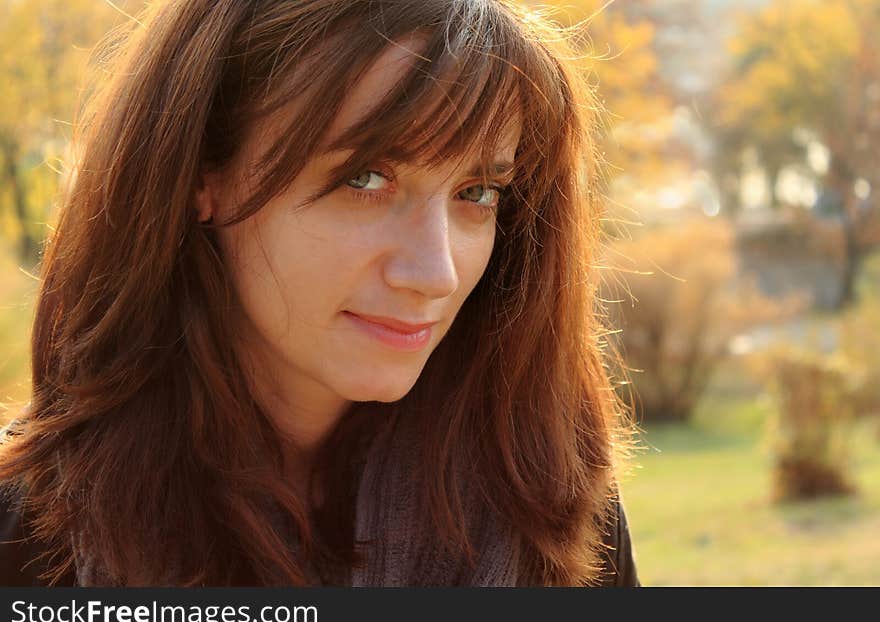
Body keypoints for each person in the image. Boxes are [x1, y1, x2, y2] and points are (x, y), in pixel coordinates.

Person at [0, 0, 639, 587]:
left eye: (476, 193)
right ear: (201, 176)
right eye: (366, 178)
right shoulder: (32, 533)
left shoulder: (546, 492)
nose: (436, 273)